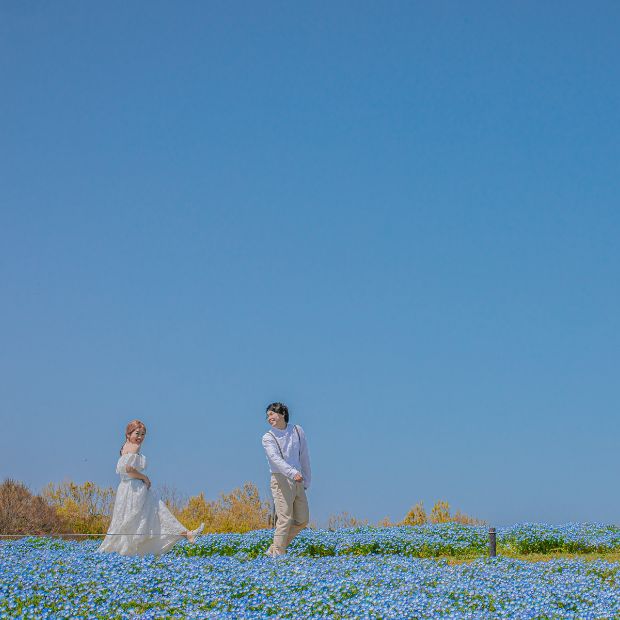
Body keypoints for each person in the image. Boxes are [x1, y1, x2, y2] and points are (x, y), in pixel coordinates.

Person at [98, 420, 203, 556]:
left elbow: (124, 470)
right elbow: (129, 470)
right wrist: (144, 478)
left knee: (130, 519)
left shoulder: (124, 447)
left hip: (125, 489)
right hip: (135, 488)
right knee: (158, 512)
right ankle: (186, 534)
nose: (140, 437)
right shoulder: (134, 448)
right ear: (128, 434)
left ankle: (122, 552)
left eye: (143, 434)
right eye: (137, 433)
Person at [262, 402, 311, 556]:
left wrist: (307, 479)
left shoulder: (297, 430)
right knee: (284, 518)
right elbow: (275, 459)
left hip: (297, 478)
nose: (269, 418)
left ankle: (274, 549)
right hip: (280, 478)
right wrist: (291, 473)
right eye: (267, 416)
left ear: (282, 413)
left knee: (302, 520)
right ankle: (278, 554)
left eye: (271, 414)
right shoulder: (267, 437)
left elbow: (304, 456)